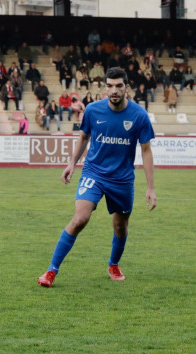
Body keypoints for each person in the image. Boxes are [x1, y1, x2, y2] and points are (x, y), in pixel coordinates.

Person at [37, 67, 156, 288]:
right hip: (94, 173)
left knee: (120, 226)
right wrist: (72, 163)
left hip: (122, 180)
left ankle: (113, 264)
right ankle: (51, 271)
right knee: (80, 218)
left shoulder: (139, 115)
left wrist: (150, 187)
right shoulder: (92, 110)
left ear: (126, 87)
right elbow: (83, 137)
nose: (114, 90)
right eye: (110, 85)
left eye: (119, 85)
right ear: (105, 87)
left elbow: (146, 151)